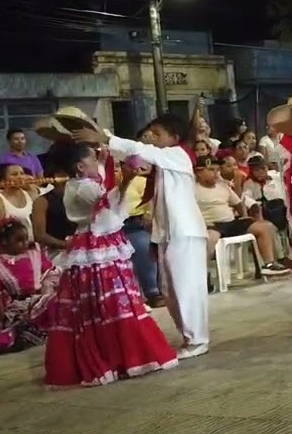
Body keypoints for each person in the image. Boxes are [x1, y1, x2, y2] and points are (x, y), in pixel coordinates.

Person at [72, 114, 211, 360]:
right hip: (170, 232)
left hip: (185, 231)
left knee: (186, 287)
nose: (151, 137)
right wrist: (102, 142)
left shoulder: (178, 155)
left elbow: (139, 149)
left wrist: (106, 137)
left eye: (158, 134)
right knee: (170, 289)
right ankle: (189, 336)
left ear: (174, 138)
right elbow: (133, 154)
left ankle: (198, 339)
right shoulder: (162, 162)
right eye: (151, 132)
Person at [42, 141, 178, 386]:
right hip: (96, 247)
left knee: (116, 301)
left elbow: (105, 194)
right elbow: (107, 202)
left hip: (101, 243)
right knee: (109, 303)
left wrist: (106, 162)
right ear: (80, 167)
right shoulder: (82, 188)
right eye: (92, 160)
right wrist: (125, 179)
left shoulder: (81, 183)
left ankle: (122, 357)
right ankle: (118, 357)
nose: (97, 164)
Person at [194, 156, 289, 276]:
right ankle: (203, 274)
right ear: (199, 172)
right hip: (212, 225)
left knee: (263, 228)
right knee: (210, 240)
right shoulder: (193, 189)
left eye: (217, 170)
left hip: (231, 222)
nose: (215, 173)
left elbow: (238, 203)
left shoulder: (222, 186)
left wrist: (243, 215)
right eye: (211, 170)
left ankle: (268, 264)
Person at [0, 218, 58, 326]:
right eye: (19, 240)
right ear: (4, 241)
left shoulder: (34, 254)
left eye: (26, 239)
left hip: (42, 297)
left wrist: (46, 288)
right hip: (16, 308)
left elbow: (51, 273)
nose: (25, 243)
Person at [120, 157, 164, 306]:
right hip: (114, 225)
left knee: (143, 246)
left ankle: (153, 292)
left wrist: (148, 213)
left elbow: (150, 200)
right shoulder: (104, 183)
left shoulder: (138, 181)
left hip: (135, 223)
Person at [0, 163, 37, 241]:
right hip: (8, 245)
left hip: (31, 242)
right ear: (3, 180)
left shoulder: (29, 193)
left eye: (22, 173)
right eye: (14, 174)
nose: (20, 177)